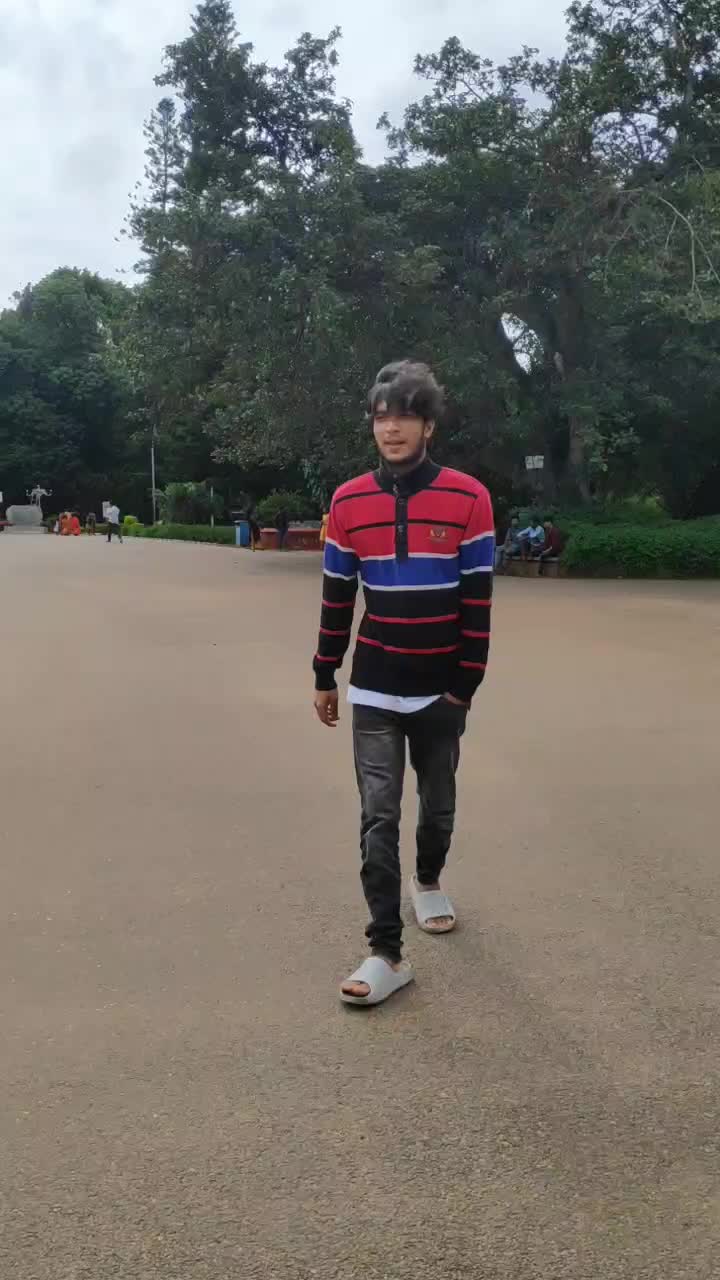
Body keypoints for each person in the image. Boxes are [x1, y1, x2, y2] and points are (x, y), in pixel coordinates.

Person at [313, 360, 494, 1007]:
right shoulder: (347, 501)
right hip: (375, 687)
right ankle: (386, 951)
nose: (391, 428)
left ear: (428, 426)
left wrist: (463, 688)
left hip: (441, 689)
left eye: (405, 416)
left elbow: (478, 602)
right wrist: (324, 671)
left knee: (437, 803)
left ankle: (428, 878)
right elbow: (338, 593)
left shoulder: (469, 498)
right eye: (381, 416)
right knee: (378, 815)